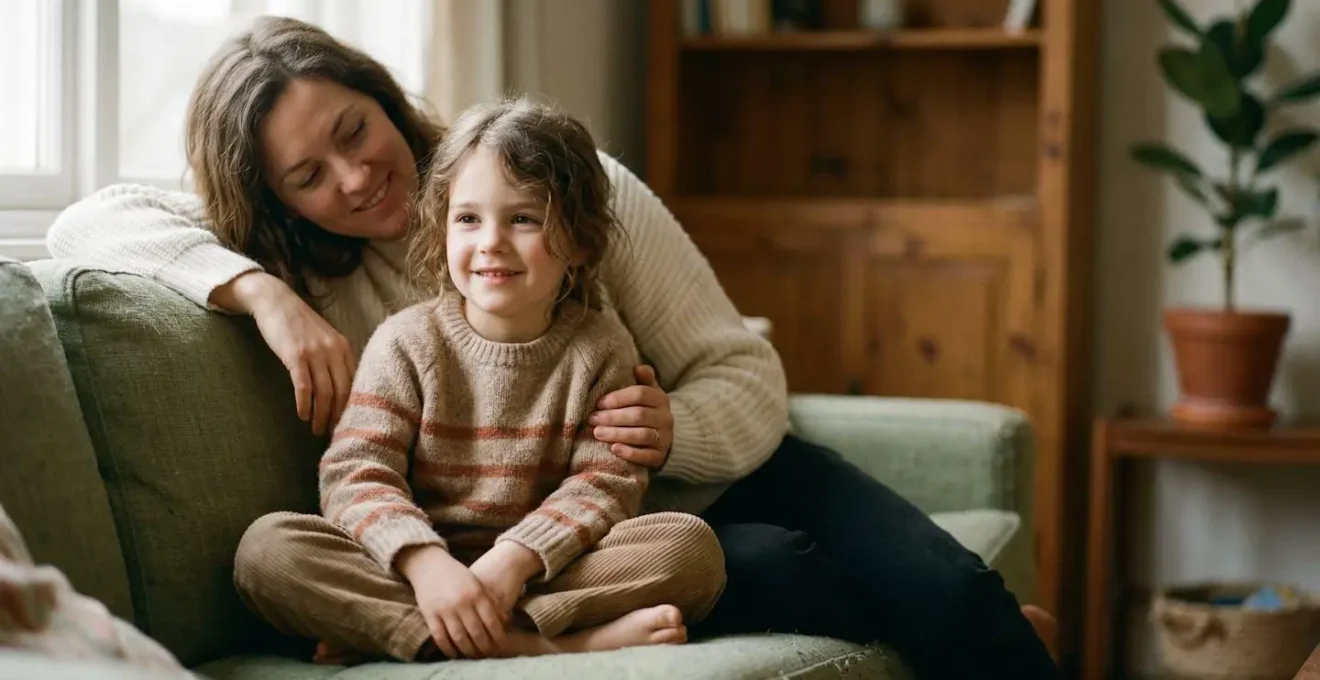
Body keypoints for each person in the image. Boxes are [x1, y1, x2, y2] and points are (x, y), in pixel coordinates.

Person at [46, 15, 1060, 679]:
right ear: (275, 201)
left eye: (354, 130)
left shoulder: (572, 185)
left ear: (384, 96)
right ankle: (528, 643)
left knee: (945, 583)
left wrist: (670, 429)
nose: (352, 178)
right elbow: (86, 222)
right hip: (518, 550)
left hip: (681, 479)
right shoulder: (309, 272)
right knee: (767, 566)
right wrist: (262, 295)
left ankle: (979, 628)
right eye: (308, 176)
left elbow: (744, 372)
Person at [232, 95, 726, 663]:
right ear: (441, 230)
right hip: (418, 572)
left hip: (541, 571)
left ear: (579, 242)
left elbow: (605, 484)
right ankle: (546, 645)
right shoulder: (404, 342)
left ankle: (423, 635)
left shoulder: (601, 348)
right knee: (267, 552)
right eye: (468, 219)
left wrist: (511, 563)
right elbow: (356, 473)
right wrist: (427, 565)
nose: (491, 241)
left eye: (523, 219)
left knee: (689, 549)